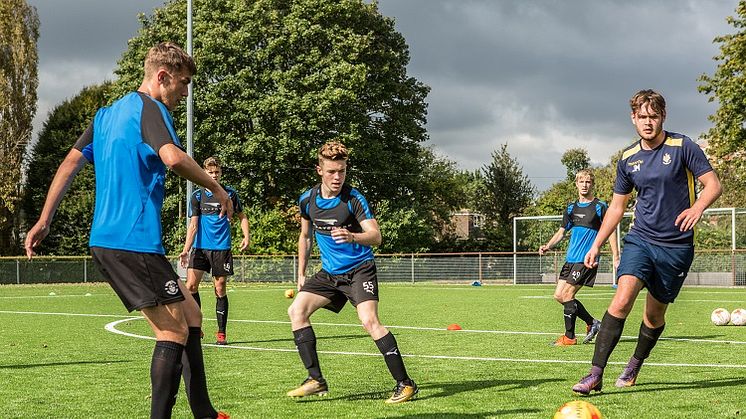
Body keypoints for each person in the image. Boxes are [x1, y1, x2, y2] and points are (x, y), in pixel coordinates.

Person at [24, 42, 231, 419]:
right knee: (171, 333)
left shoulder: (105, 115)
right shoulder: (150, 108)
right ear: (162, 77)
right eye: (183, 84)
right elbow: (172, 157)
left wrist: (44, 218)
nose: (185, 93)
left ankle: (204, 411)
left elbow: (70, 162)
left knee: (192, 315)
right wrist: (215, 187)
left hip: (109, 241)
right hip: (133, 243)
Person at [572, 89, 722, 395]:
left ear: (663, 116)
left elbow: (713, 185)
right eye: (642, 117)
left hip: (676, 247)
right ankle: (595, 374)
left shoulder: (683, 146)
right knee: (622, 299)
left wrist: (696, 208)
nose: (648, 122)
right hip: (640, 239)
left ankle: (635, 363)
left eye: (653, 116)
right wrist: (597, 243)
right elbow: (616, 207)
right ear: (633, 118)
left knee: (654, 316)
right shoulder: (628, 158)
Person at [286, 141, 418, 404]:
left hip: (360, 270)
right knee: (296, 311)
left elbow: (376, 236)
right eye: (332, 171)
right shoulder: (307, 200)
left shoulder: (353, 199)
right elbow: (305, 237)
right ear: (319, 170)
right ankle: (316, 380)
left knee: (369, 321)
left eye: (342, 171)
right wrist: (301, 274)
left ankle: (405, 384)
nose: (337, 177)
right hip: (330, 274)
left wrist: (353, 236)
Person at [539, 169, 620, 346]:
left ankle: (569, 337)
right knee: (559, 296)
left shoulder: (600, 207)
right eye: (581, 182)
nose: (584, 185)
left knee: (568, 294)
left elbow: (611, 231)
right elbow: (562, 232)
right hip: (570, 259)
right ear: (576, 184)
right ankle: (592, 323)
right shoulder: (571, 208)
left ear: (592, 184)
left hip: (586, 260)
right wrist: (548, 245)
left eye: (588, 182)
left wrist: (616, 256)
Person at [179, 156, 249, 345]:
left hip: (221, 248)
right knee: (190, 286)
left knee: (219, 289)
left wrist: (246, 236)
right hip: (200, 249)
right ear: (204, 172)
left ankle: (221, 333)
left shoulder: (230, 194)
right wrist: (186, 250)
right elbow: (193, 226)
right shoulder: (197, 196)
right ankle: (196, 328)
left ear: (221, 172)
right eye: (210, 172)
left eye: (217, 171)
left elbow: (242, 216)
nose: (214, 175)